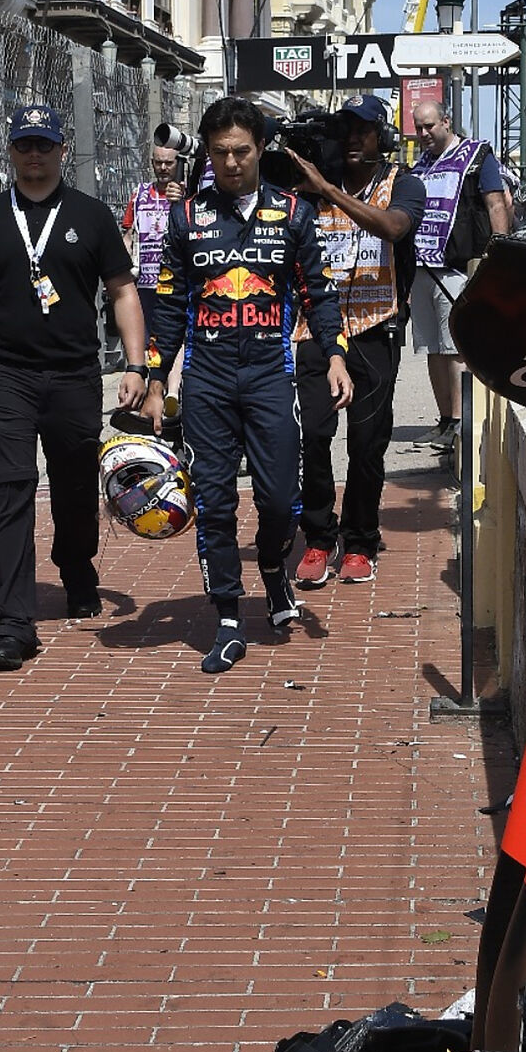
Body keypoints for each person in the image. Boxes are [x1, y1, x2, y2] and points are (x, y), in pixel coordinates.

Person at [141, 96, 352, 674]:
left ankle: (272, 577)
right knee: (214, 499)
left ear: (260, 149)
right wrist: (157, 378)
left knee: (280, 498)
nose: (231, 163)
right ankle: (229, 615)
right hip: (207, 378)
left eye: (241, 151)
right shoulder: (185, 218)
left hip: (268, 375)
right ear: (206, 155)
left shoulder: (294, 214)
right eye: (219, 153)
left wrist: (335, 356)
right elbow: (168, 305)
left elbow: (320, 292)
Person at [0, 104, 147, 671]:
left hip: (74, 375)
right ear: (11, 151)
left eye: (44, 145)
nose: (34, 154)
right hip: (4, 374)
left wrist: (135, 365)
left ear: (61, 151)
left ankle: (77, 566)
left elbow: (123, 292)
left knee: (76, 488)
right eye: (25, 144)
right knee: (9, 490)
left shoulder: (92, 216)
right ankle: (14, 622)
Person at [284, 94, 426, 589]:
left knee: (366, 446)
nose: (351, 138)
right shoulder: (307, 191)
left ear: (382, 137)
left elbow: (392, 227)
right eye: (344, 129)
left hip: (374, 326)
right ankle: (319, 537)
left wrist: (328, 189)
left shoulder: (403, 184)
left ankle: (361, 540)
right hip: (316, 331)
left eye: (362, 130)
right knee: (315, 437)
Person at [409, 99, 511, 447]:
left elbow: (496, 202)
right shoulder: (418, 164)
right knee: (432, 348)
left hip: (458, 265)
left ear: (446, 122)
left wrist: (497, 255)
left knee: (454, 346)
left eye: (429, 126)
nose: (423, 133)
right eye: (418, 127)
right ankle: (445, 418)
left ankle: (461, 422)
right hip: (423, 266)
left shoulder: (477, 156)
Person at [120, 141, 183, 341]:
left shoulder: (188, 195)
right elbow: (128, 236)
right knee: (145, 340)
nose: (163, 168)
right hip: (145, 284)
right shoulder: (139, 194)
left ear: (178, 163)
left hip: (176, 282)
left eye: (169, 163)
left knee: (175, 340)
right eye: (158, 163)